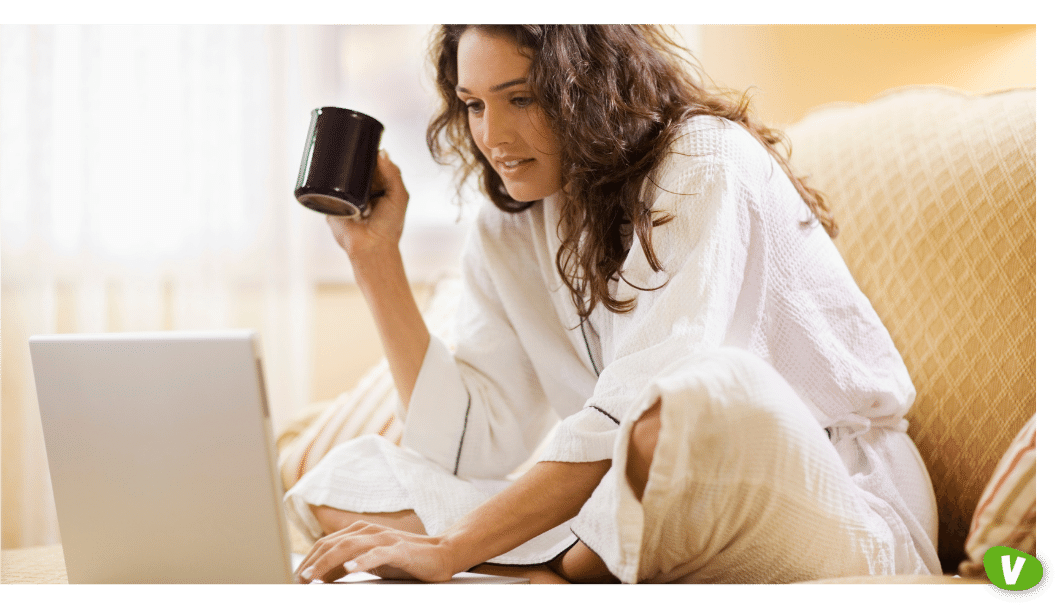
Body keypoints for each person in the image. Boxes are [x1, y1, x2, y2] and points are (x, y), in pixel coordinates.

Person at [286, 24, 941, 584]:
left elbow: (638, 411)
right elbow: (473, 447)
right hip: (630, 491)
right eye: (475, 105)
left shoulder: (706, 161)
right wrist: (374, 259)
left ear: (591, 86)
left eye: (521, 98)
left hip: (819, 488)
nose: (495, 136)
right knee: (345, 480)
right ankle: (578, 553)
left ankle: (561, 558)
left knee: (690, 403)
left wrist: (451, 548)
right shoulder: (511, 222)